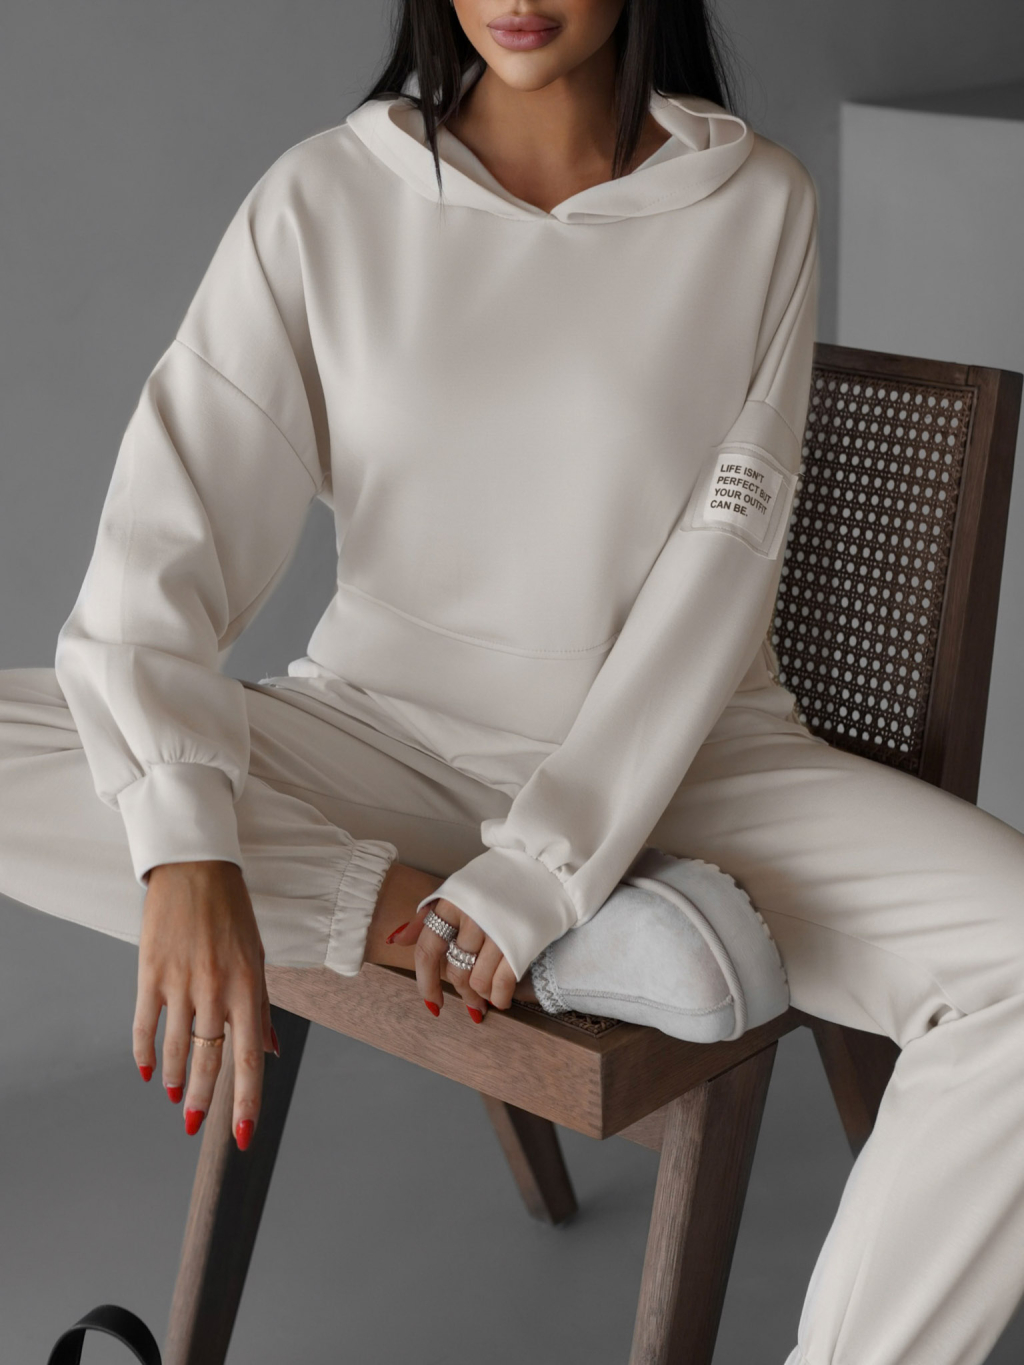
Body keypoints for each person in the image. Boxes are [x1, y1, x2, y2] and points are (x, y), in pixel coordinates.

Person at [3, 3, 1024, 1363]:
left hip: (694, 763)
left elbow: (722, 565)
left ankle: (550, 916)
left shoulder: (753, 202)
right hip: (384, 737)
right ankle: (419, 918)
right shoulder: (326, 197)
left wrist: (547, 860)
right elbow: (161, 547)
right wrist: (184, 844)